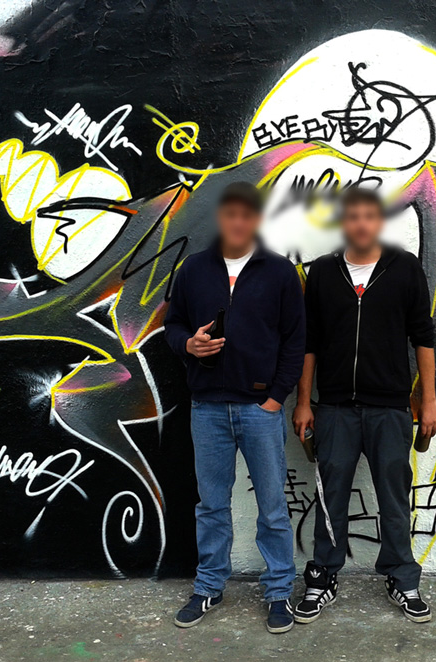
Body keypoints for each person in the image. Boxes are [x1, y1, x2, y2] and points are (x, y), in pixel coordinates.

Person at [291, 186, 436, 624]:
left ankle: (402, 577)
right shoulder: (322, 272)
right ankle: (323, 577)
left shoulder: (404, 268)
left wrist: (429, 400)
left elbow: (423, 337)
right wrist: (304, 402)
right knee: (331, 494)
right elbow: (309, 343)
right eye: (352, 216)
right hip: (335, 408)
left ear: (379, 222)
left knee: (394, 496)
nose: (360, 223)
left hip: (390, 408)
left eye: (369, 216)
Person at [164, 181, 305, 634]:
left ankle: (279, 591)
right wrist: (188, 344)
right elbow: (173, 325)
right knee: (211, 506)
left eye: (247, 215)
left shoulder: (279, 272)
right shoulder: (193, 270)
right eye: (231, 214)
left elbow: (295, 341)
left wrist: (275, 399)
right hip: (207, 408)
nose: (238, 222)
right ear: (220, 218)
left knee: (272, 507)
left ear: (257, 219)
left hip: (259, 410)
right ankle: (209, 586)